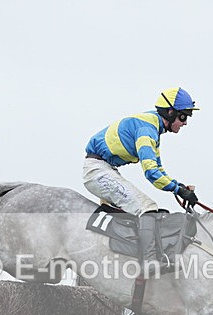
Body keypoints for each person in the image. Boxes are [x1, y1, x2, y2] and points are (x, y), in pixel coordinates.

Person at [83, 87, 200, 272]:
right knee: (147, 207)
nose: (185, 123)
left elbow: (158, 169)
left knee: (142, 210)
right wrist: (178, 190)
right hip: (98, 171)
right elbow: (151, 173)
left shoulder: (153, 127)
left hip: (105, 169)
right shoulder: (147, 130)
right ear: (170, 113)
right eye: (183, 117)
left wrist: (179, 187)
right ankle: (148, 262)